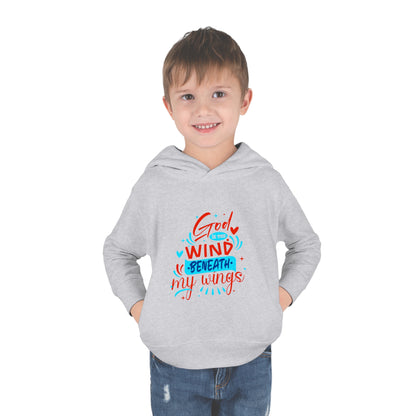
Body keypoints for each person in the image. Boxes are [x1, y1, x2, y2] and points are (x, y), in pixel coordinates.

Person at [103, 26, 321, 416]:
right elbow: (118, 250)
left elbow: (305, 244)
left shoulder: (263, 180)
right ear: (169, 106)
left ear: (245, 100)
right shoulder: (156, 184)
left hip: (251, 359)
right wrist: (141, 310)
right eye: (188, 96)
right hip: (174, 363)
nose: (203, 110)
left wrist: (279, 299)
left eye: (219, 94)